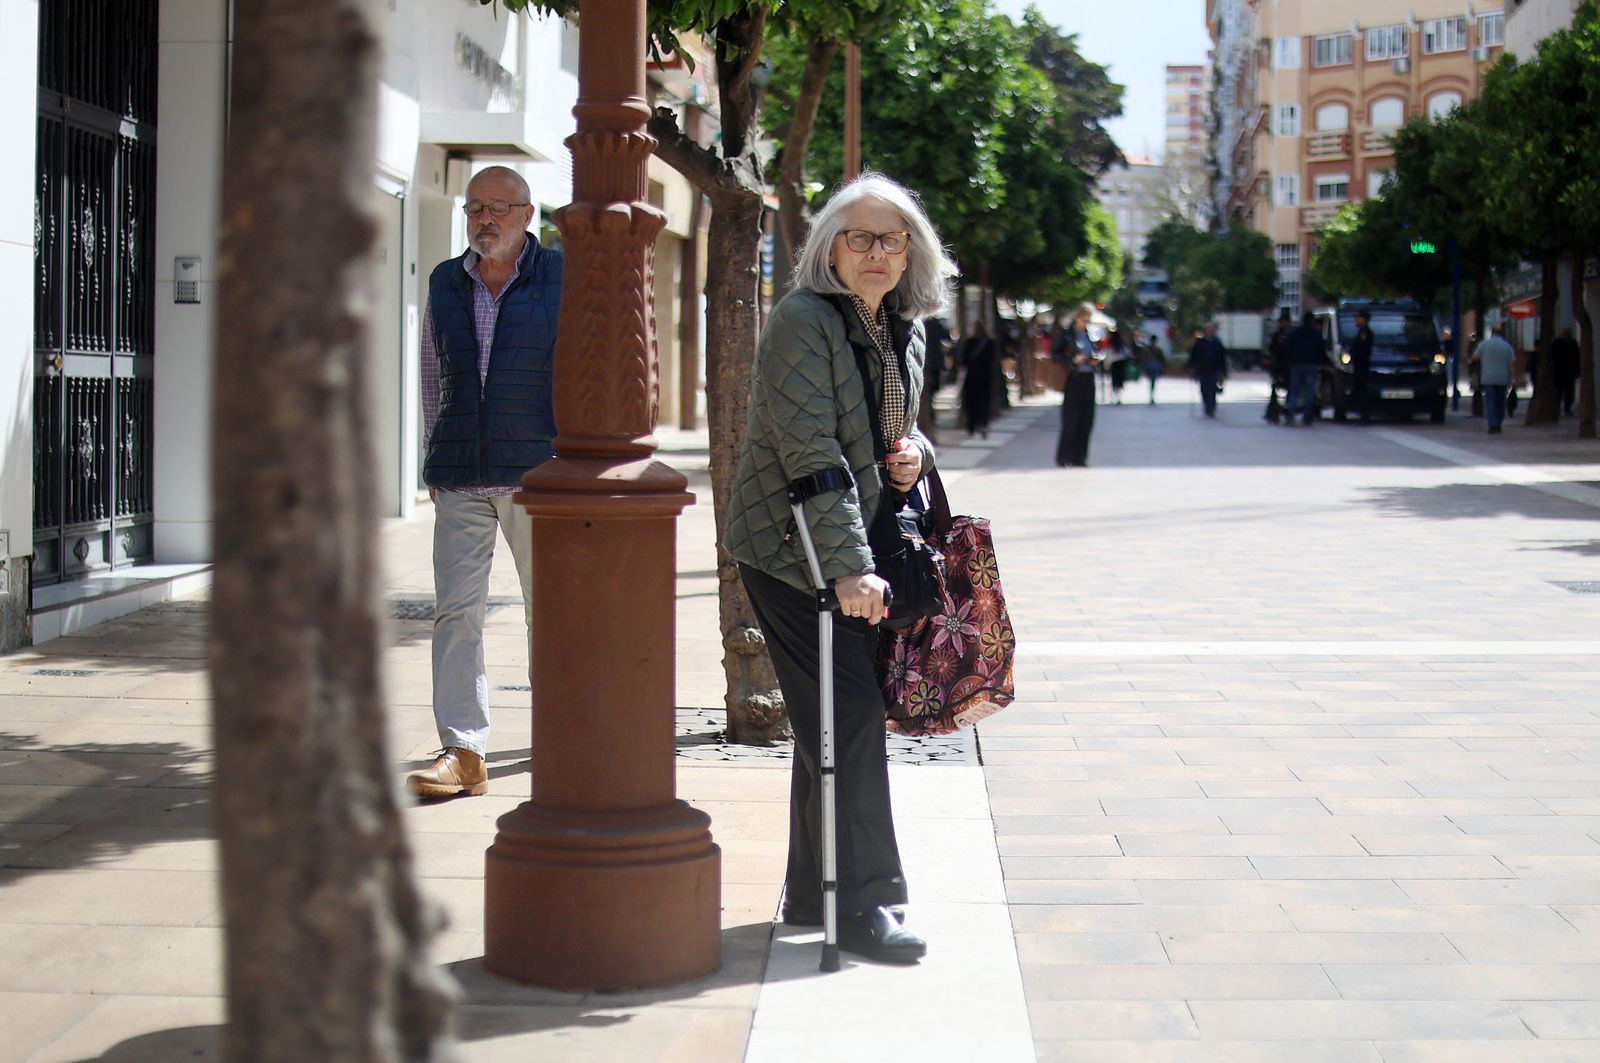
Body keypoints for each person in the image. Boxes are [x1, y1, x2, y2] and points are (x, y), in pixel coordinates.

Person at [724, 171, 957, 965]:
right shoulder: (801, 321)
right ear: (830, 246)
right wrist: (851, 568)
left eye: (892, 238)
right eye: (859, 237)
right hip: (791, 550)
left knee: (831, 717)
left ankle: (807, 887)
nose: (876, 253)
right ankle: (865, 903)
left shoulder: (906, 326)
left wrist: (911, 456)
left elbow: (895, 427)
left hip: (850, 538)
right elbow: (812, 454)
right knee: (850, 715)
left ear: (911, 250)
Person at [408, 166, 561, 800]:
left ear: (529, 215)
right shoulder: (446, 279)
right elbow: (431, 375)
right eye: (474, 208)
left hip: (538, 477)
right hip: (463, 477)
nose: (484, 220)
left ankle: (559, 743)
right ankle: (463, 753)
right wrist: (433, 458)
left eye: (498, 208)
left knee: (549, 616)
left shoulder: (562, 277)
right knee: (456, 615)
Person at [1053, 306, 1099, 467]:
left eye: (1088, 319)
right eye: (1084, 319)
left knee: (1087, 419)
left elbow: (1093, 351)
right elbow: (1055, 354)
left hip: (1088, 378)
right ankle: (1064, 456)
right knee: (1071, 420)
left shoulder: (1088, 334)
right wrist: (1072, 360)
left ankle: (1080, 457)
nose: (1085, 322)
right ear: (1077, 317)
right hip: (1073, 378)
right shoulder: (1067, 334)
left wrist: (1093, 360)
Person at [955, 320, 998, 438]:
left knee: (971, 402)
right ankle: (983, 424)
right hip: (986, 377)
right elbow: (993, 360)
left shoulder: (970, 342)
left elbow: (963, 360)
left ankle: (972, 427)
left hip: (972, 377)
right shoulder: (990, 343)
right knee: (984, 402)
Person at [1286, 311, 1326, 427]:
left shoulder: (1295, 332)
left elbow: (1289, 347)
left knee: (1294, 392)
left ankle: (1291, 416)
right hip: (1311, 365)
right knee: (1309, 393)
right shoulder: (1316, 334)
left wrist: (1290, 361)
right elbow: (1321, 349)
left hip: (1297, 365)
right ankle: (1307, 417)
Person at [1476, 324, 1516, 434]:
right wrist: (1513, 378)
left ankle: (1492, 424)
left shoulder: (1484, 344)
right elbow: (1512, 363)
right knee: (1500, 402)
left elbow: (1475, 357)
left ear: (1491, 333)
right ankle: (1498, 422)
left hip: (1488, 378)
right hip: (1502, 379)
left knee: (1490, 402)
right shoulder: (1507, 346)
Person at [1188, 322, 1228, 418]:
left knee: (1212, 391)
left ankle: (1211, 409)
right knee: (1204, 390)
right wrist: (1191, 367)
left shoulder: (1217, 343)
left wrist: (1223, 371)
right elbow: (1194, 356)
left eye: (1211, 329)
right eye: (1208, 329)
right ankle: (1207, 407)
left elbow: (1222, 358)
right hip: (1202, 370)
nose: (1209, 331)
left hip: (1214, 370)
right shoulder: (1199, 343)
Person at [1264, 311, 1292, 423]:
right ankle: (1273, 411)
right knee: (1275, 388)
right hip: (1278, 366)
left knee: (1291, 389)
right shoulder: (1277, 335)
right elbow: (1272, 349)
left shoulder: (1292, 335)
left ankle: (1287, 410)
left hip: (1289, 366)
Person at [1349, 308, 1375, 421]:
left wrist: (1353, 353)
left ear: (1363, 319)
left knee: (1362, 390)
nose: (1356, 320)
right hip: (1360, 365)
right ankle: (1362, 412)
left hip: (1362, 365)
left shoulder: (1365, 333)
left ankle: (1365, 414)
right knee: (1359, 389)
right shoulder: (1362, 332)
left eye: (1358, 318)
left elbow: (1361, 349)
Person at [1552, 327, 1581, 418]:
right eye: (1565, 333)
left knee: (1569, 392)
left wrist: (1577, 371)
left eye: (1568, 333)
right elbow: (1551, 355)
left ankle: (1567, 408)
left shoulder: (1573, 343)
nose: (1566, 334)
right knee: (1558, 391)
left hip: (1570, 372)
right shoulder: (1557, 343)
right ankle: (1557, 408)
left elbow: (1577, 358)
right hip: (1558, 371)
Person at [1105, 328, 1129, 404]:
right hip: (1121, 363)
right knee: (1119, 381)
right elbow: (1127, 353)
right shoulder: (1121, 343)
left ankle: (1113, 397)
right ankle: (1118, 398)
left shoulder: (1111, 343)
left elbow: (1108, 355)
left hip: (1114, 363)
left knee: (1114, 381)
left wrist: (1106, 364)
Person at [1142, 333, 1167, 404]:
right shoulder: (1158, 349)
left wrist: (1143, 367)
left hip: (1149, 366)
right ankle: (1152, 396)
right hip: (1156, 366)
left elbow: (1144, 359)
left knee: (1151, 381)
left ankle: (1151, 395)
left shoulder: (1147, 349)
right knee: (1153, 381)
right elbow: (1163, 359)